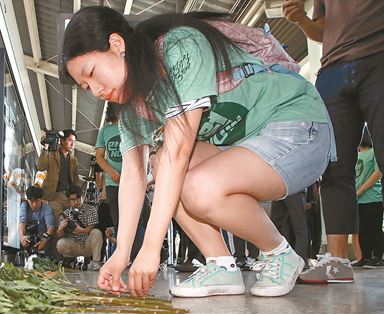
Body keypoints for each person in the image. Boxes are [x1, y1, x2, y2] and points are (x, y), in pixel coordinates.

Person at [60, 6, 334, 297]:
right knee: (159, 160)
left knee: (190, 181)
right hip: (244, 149)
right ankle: (221, 265)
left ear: (117, 46)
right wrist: (122, 254)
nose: (96, 90)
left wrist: (152, 248)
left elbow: (179, 153)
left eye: (92, 73)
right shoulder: (132, 108)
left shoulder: (179, 46)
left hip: (299, 126)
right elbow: (133, 176)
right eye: (86, 86)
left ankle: (279, 252)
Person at [283, 0, 384, 281]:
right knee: (333, 167)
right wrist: (302, 20)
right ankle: (338, 261)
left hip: (378, 57)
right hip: (332, 70)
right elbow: (324, 30)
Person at [95, 102, 150, 260]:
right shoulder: (105, 131)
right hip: (113, 184)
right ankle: (131, 256)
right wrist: (110, 171)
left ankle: (143, 255)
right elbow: (99, 156)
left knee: (141, 217)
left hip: (133, 182)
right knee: (120, 221)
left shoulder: (134, 127)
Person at [37, 129, 82, 220]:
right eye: (70, 140)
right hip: (54, 194)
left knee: (70, 222)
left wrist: (78, 196)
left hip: (70, 195)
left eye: (74, 142)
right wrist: (46, 146)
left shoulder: (74, 159)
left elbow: (76, 179)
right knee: (58, 222)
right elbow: (41, 167)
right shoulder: (51, 154)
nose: (72, 144)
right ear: (62, 140)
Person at [56, 185, 104, 270]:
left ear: (82, 197)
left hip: (88, 244)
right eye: (72, 200)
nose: (75, 202)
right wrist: (60, 228)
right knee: (60, 243)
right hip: (73, 243)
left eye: (78, 198)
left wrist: (81, 230)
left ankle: (95, 262)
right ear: (68, 201)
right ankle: (70, 261)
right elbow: (59, 235)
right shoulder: (65, 214)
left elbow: (91, 227)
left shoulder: (91, 209)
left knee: (97, 232)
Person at [353, 132, 382, 267]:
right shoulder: (354, 155)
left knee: (374, 228)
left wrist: (361, 189)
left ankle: (377, 256)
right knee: (362, 230)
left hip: (372, 198)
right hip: (358, 200)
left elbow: (378, 172)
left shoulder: (374, 152)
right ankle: (364, 257)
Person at [18, 185, 58, 260]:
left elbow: (51, 227)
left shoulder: (46, 208)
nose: (34, 205)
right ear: (27, 200)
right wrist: (22, 237)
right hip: (29, 235)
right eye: (31, 202)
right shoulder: (24, 205)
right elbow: (22, 222)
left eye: (37, 201)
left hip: (43, 236)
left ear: (42, 199)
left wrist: (43, 240)